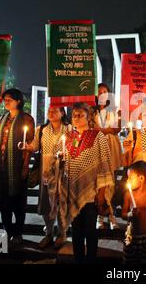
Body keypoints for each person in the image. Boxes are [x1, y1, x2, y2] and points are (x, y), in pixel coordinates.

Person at [53, 102, 114, 263]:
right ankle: (79, 259)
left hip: (91, 194)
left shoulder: (97, 136)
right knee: (77, 231)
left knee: (90, 230)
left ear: (89, 117)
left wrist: (101, 194)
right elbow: (60, 159)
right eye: (74, 115)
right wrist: (59, 158)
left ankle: (91, 259)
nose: (77, 118)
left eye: (81, 115)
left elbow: (104, 165)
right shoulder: (67, 136)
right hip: (72, 193)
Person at [0, 88, 35, 245]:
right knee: (4, 202)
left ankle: (18, 232)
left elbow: (30, 143)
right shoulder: (3, 118)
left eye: (9, 99)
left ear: (18, 101)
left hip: (17, 166)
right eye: (4, 99)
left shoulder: (27, 119)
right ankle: (7, 230)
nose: (6, 102)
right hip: (1, 167)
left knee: (18, 202)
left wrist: (26, 164)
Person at [25, 106, 71, 249]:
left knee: (62, 204)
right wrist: (25, 146)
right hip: (46, 173)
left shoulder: (69, 129)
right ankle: (49, 233)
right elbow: (34, 146)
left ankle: (62, 234)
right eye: (49, 111)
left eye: (54, 110)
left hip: (63, 173)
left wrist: (66, 154)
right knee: (46, 204)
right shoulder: (42, 130)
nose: (50, 113)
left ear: (62, 113)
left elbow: (75, 148)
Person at [93, 83, 121, 231]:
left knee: (112, 180)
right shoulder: (92, 111)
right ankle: (100, 214)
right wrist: (106, 130)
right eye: (100, 92)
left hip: (112, 145)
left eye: (105, 91)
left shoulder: (114, 110)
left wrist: (103, 130)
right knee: (101, 181)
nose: (102, 94)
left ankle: (111, 214)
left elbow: (117, 128)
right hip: (97, 145)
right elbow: (92, 129)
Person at [121, 161, 146, 264]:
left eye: (130, 177)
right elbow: (123, 214)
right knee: (128, 261)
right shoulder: (128, 195)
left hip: (144, 238)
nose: (127, 180)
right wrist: (129, 214)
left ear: (141, 178)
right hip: (130, 235)